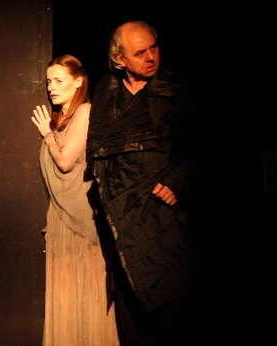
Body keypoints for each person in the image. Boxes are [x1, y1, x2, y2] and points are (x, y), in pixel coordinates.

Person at [87, 21, 196, 345]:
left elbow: (204, 146)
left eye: (154, 48)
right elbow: (98, 151)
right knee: (132, 318)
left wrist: (177, 181)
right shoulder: (106, 91)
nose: (151, 57)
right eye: (140, 52)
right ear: (119, 59)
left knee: (169, 309)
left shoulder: (175, 91)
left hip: (162, 218)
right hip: (120, 220)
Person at [31, 54, 119, 346]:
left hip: (84, 226)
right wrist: (50, 221)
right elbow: (54, 182)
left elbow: (66, 162)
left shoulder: (85, 112)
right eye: (48, 82)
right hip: (61, 224)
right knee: (65, 303)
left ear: (78, 82)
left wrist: (46, 134)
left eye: (59, 81)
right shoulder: (58, 122)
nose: (51, 88)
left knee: (86, 302)